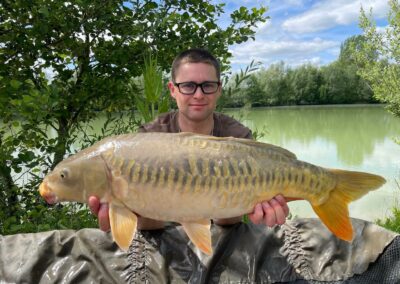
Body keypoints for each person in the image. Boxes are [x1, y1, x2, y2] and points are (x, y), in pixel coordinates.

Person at [88, 48, 289, 233]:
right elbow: (150, 226)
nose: (199, 95)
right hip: (164, 236)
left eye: (207, 86)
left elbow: (229, 222)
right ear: (172, 89)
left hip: (221, 233)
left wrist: (259, 208)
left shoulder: (236, 136)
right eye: (188, 86)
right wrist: (127, 215)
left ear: (219, 89)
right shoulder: (149, 138)